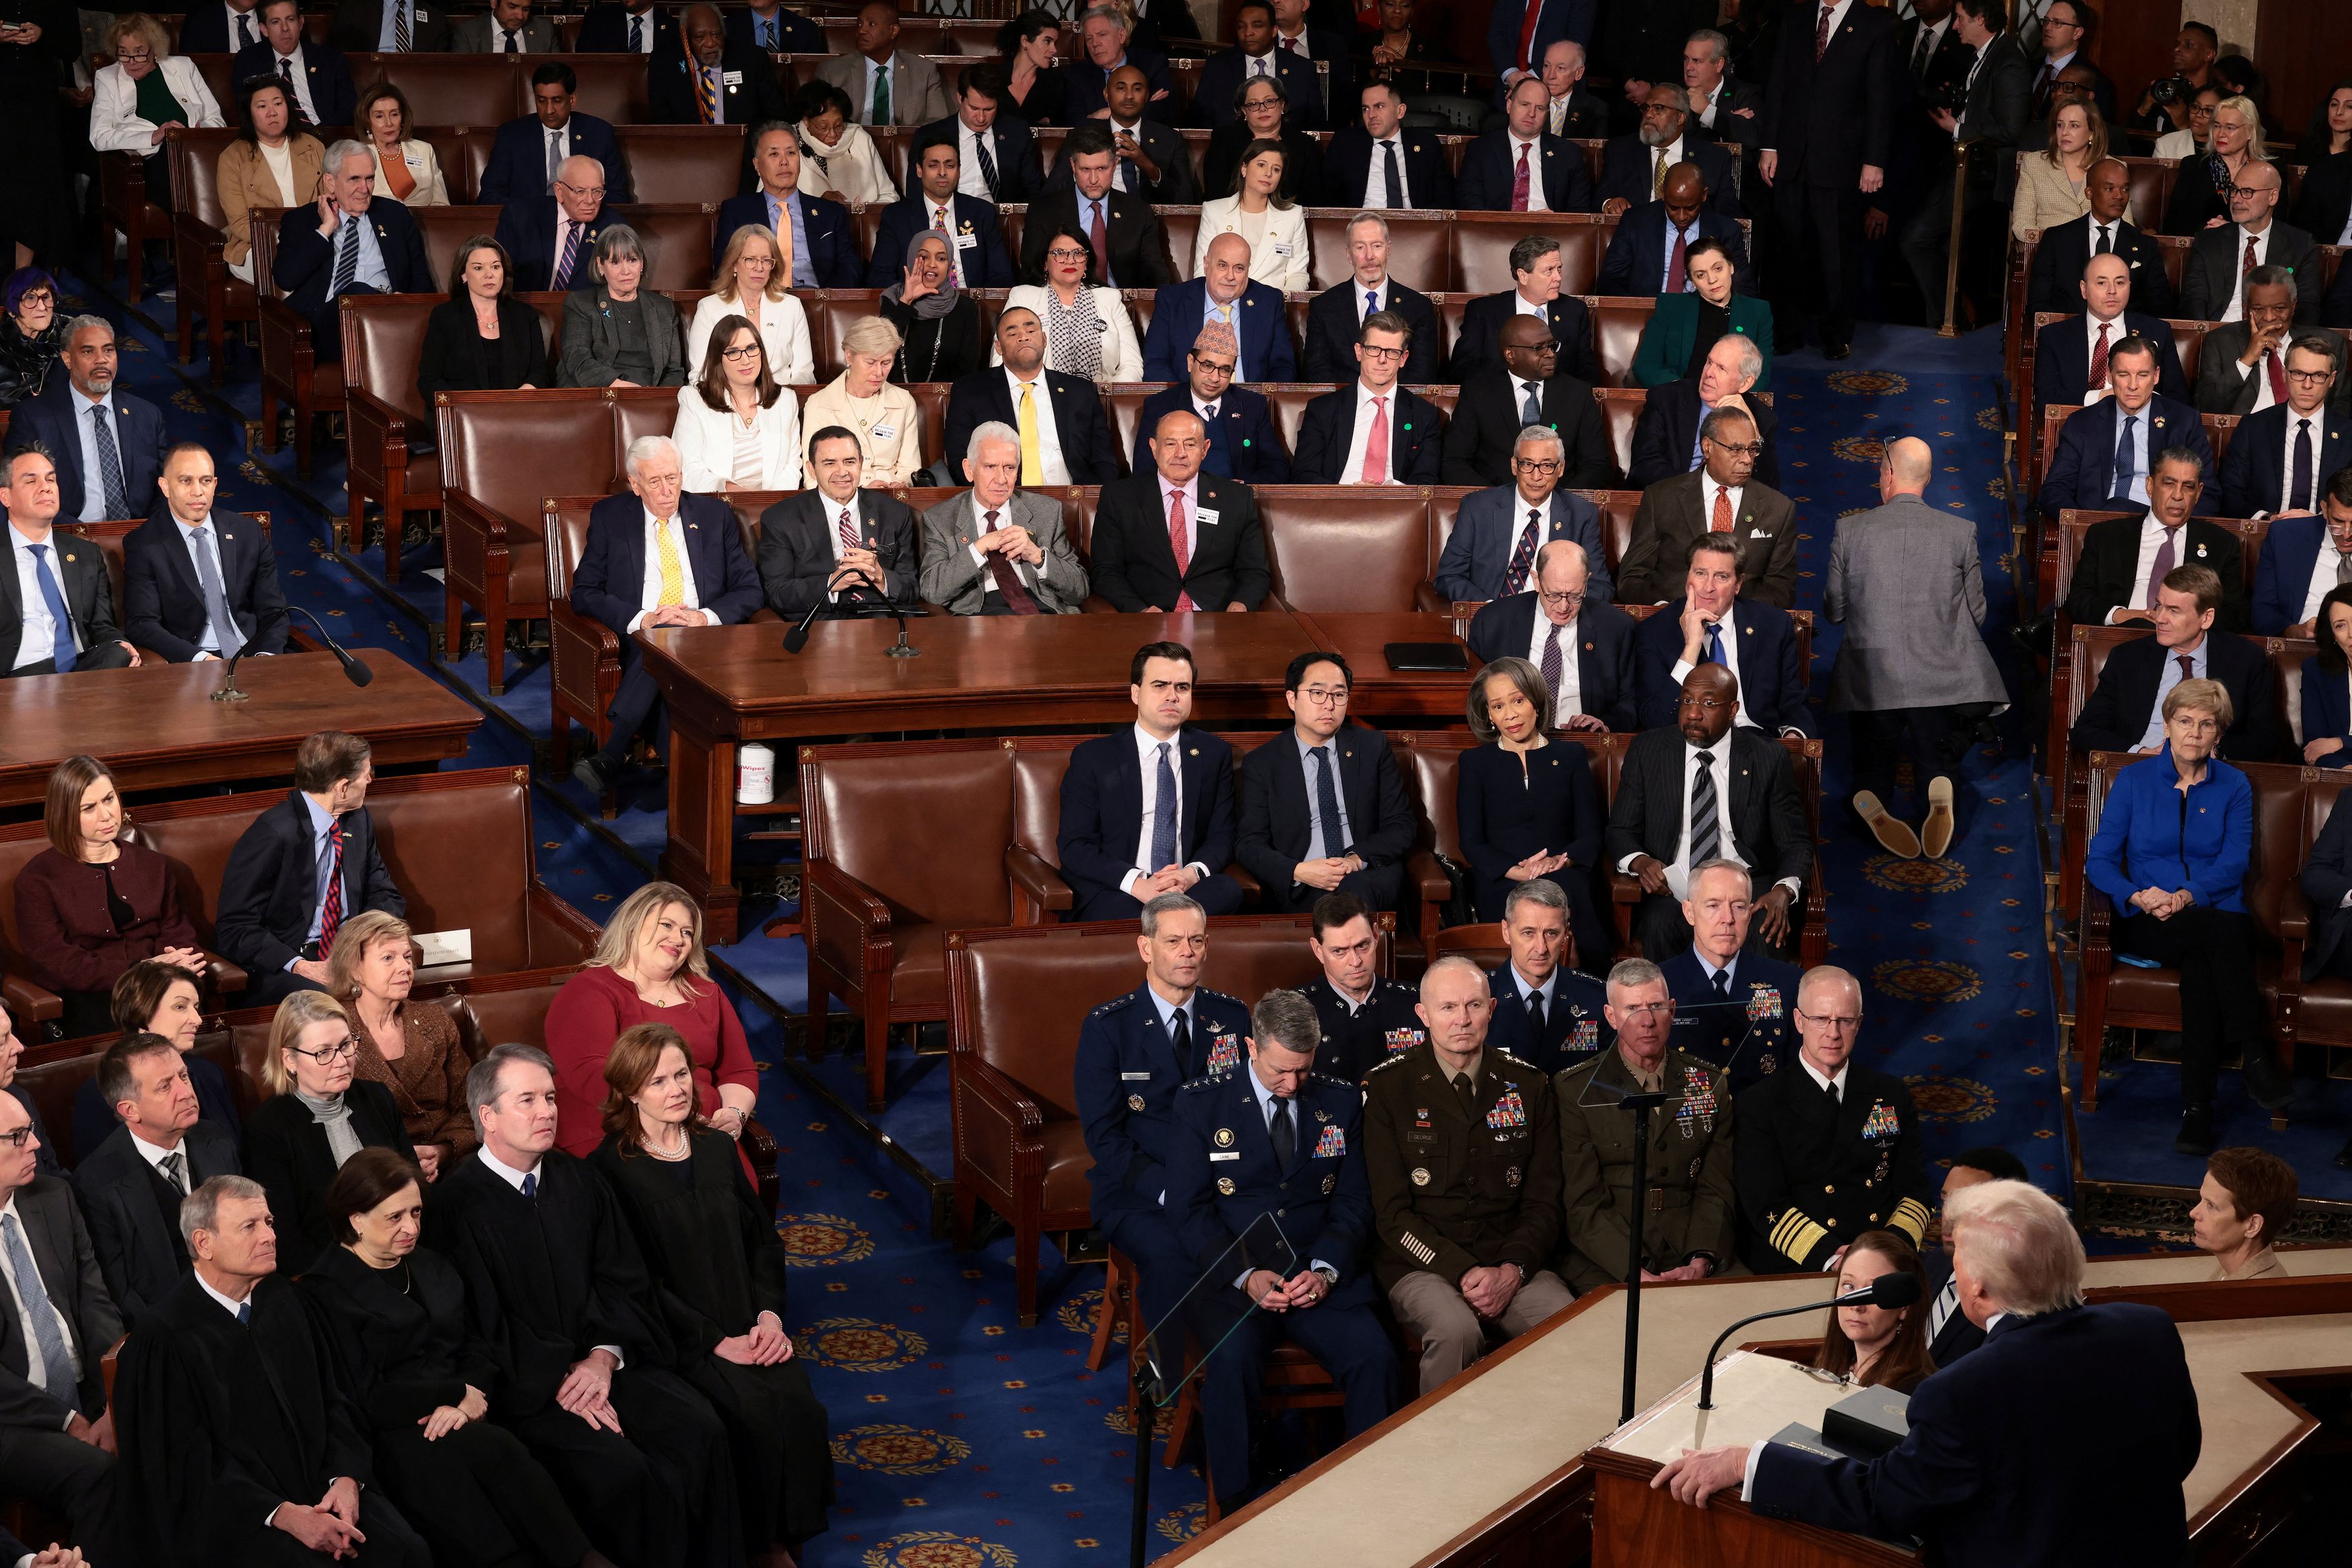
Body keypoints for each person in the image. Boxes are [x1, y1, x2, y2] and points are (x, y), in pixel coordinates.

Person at [1656, 1180, 2202, 1568]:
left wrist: (1746, 1461)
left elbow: (1884, 1502)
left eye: (1958, 1257)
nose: (1953, 1271)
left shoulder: (1964, 1391)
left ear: (1980, 1288)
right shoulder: (2148, 1330)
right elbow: (2182, 1453)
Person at [430, 1046, 742, 1568]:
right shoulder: (455, 1208)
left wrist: (602, 1358)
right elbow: (479, 1324)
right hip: (531, 1385)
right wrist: (562, 1376)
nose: (547, 1111)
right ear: (488, 1117)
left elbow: (624, 1277)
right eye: (526, 1099)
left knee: (700, 1430)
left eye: (550, 1098)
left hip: (607, 1361)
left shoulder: (579, 1180)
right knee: (624, 1473)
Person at [589, 1027, 833, 1557]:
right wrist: (714, 1342)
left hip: (749, 1320)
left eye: (681, 1074)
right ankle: (762, 1545)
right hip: (682, 1339)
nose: (676, 1089)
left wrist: (769, 1317)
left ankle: (789, 1534)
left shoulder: (718, 1147)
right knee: (749, 1417)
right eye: (658, 1081)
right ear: (630, 1091)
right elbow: (633, 1282)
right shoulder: (612, 1172)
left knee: (800, 1409)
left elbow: (762, 1242)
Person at [301, 1149, 609, 1568]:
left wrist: (471, 1396)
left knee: (511, 1450)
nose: (411, 1228)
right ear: (355, 1219)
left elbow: (477, 1342)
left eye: (416, 1213)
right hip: (397, 1433)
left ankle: (582, 1558)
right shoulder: (325, 1291)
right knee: (482, 1461)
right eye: (395, 1217)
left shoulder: (429, 1264)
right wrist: (455, 1394)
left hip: (465, 1411)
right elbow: (364, 1394)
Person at [112, 1174, 432, 1567]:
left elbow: (336, 1398)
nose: (269, 1236)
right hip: (241, 1515)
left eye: (269, 1223)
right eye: (250, 1226)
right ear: (203, 1243)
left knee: (406, 1552)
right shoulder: (163, 1339)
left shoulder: (286, 1301)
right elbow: (182, 1466)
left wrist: (347, 1478)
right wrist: (281, 1514)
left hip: (326, 1488)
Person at [1164, 990, 1395, 1516]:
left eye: (1304, 1071)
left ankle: (1369, 1494)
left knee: (1374, 1357)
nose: (1293, 1085)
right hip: (1235, 1277)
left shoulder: (1338, 1100)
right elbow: (1188, 1210)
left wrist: (1325, 1271)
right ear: (1251, 1046)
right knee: (1232, 1359)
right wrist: (1244, 1275)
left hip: (1318, 1273)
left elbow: (1355, 1201)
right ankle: (1237, 1506)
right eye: (1280, 1072)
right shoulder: (1201, 1103)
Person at [2088, 677, 2287, 1152]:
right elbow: (2099, 860)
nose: (2194, 733)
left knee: (2204, 967)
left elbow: (2235, 861)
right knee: (2219, 938)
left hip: (2209, 911)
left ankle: (2196, 1111)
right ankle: (2255, 1053)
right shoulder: (2134, 781)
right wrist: (2138, 896)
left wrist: (2188, 894)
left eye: (2206, 724)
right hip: (2148, 920)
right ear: (2168, 726)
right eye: (2184, 722)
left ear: (2219, 734)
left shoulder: (2235, 785)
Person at [1361, 955, 1570, 1397]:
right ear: (1423, 1015)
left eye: (1474, 1006)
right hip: (1422, 1263)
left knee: (1568, 1323)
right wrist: (1464, 1271)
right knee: (1457, 1330)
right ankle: (1438, 1459)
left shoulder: (1529, 1086)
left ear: (1492, 1009)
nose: (1462, 1020)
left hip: (1511, 1257)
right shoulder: (1388, 1089)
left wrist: (1512, 1269)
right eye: (1448, 1008)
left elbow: (1544, 1202)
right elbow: (1392, 1216)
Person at [1076, 891, 1253, 1336]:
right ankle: (1168, 1378)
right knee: (1175, 1257)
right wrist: (1167, 1189)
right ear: (1145, 948)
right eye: (1174, 941)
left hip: (1218, 1185)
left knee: (1269, 1241)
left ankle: (1232, 1366)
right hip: (1141, 1193)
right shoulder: (1108, 1026)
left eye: (1196, 941)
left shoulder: (1232, 1017)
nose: (1187, 952)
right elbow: (1104, 1136)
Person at [1825, 437, 2006, 861]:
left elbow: (1834, 610)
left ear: (1887, 474)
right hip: (1940, 678)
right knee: (1936, 756)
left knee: (1872, 762)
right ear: (1928, 478)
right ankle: (1937, 790)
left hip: (1870, 678)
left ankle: (1872, 797)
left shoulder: (1850, 530)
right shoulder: (1960, 532)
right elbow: (1977, 613)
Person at [566, 433, 761, 789]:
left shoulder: (714, 515)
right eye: (655, 482)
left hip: (705, 637)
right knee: (660, 651)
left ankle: (614, 751)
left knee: (664, 654)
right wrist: (643, 619)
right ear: (635, 485)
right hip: (643, 634)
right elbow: (584, 592)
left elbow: (749, 589)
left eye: (672, 478)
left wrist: (704, 617)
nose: (667, 490)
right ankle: (699, 790)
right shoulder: (611, 517)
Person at [1554, 957, 1739, 1289]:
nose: (1647, 1021)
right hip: (1609, 1258)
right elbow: (1583, 1203)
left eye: (1656, 1006)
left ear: (1672, 1009)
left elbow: (1716, 1187)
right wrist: (1633, 1271)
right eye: (1633, 1009)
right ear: (1611, 1016)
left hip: (1692, 1247)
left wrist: (1700, 1260)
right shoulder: (1576, 1091)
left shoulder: (1711, 1083)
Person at [1732, 965, 1931, 1272]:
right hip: (1801, 1264)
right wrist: (1832, 1257)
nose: (1833, 1033)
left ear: (1859, 1023)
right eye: (1821, 1019)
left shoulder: (1891, 1094)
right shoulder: (1759, 1104)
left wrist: (1888, 1251)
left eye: (1845, 1021)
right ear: (1799, 1021)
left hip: (1881, 1260)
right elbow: (1765, 1204)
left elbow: (1915, 1190)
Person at [542, 883, 757, 1162]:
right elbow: (589, 1074)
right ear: (632, 926)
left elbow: (739, 1070)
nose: (678, 939)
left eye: (687, 933)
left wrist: (734, 1114)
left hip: (702, 1127)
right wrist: (666, 1117)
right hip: (617, 1130)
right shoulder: (591, 989)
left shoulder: (705, 992)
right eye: (666, 925)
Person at [1609, 663, 1811, 959]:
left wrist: (1784, 890)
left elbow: (1795, 843)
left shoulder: (1768, 757)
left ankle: (1755, 1008)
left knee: (1763, 927)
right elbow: (1621, 831)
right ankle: (1674, 1006)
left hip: (1747, 886)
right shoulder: (1649, 750)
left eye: (1708, 703)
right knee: (1659, 924)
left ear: (1732, 710)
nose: (1693, 713)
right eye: (1687, 701)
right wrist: (1639, 861)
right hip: (1676, 888)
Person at [0, 1080, 121, 1559]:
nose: (35, 1145)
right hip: (12, 1421)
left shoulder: (51, 1197)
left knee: (176, 1434)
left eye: (30, 1131)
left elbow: (96, 1303)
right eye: (16, 1137)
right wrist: (70, 1420)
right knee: (101, 1474)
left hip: (88, 1389)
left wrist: (114, 1401)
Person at [12, 756, 205, 1039]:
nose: (106, 815)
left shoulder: (153, 865)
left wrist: (174, 969)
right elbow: (60, 962)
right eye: (89, 808)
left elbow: (177, 933)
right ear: (64, 814)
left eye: (109, 799)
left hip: (162, 987)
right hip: (91, 997)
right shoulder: (37, 880)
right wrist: (140, 971)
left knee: (184, 1013)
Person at [1056, 642, 1245, 922]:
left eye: (1182, 687)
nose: (1172, 696)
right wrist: (1138, 884)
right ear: (1136, 693)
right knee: (1135, 916)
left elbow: (1223, 835)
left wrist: (1189, 875)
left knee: (1227, 891)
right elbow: (1074, 845)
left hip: (1186, 888)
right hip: (1120, 888)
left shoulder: (1212, 754)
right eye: (1160, 685)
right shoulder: (1094, 757)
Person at [214, 731, 403, 1006]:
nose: (371, 780)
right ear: (342, 787)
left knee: (397, 980)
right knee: (335, 1001)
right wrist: (300, 965)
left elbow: (385, 894)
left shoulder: (357, 820)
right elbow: (234, 927)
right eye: (367, 773)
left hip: (347, 953)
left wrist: (363, 943)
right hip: (285, 965)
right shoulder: (273, 833)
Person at [1757, 0, 1895, 359]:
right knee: (1786, 249)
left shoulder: (1873, 24)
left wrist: (1874, 161)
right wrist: (1768, 145)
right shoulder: (1797, 17)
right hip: (1790, 156)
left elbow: (1880, 98)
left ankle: (1836, 334)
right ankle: (1786, 331)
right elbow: (1778, 84)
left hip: (1840, 162)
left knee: (1835, 254)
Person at [71, 1035, 241, 1322]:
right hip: (170, 1330)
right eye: (165, 1086)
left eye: (184, 1076)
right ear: (129, 1110)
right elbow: (119, 1291)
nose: (186, 1091)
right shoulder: (95, 1184)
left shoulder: (217, 1139)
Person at [241, 990, 417, 1266]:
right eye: (323, 1052)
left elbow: (412, 1182)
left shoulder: (377, 1097)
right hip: (330, 1270)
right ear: (289, 1060)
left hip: (404, 1250)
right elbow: (286, 1234)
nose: (341, 1061)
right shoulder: (268, 1129)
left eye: (346, 1045)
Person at [1238, 654, 1416, 914]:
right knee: (1334, 905)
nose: (1329, 705)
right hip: (1302, 879)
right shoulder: (1263, 763)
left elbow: (1401, 824)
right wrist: (1299, 871)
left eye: (1339, 695)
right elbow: (1249, 843)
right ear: (1292, 699)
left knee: (1352, 895)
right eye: (1317, 693)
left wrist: (1355, 859)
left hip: (1365, 872)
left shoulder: (1372, 748)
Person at [1458, 663, 1611, 947]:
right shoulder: (1474, 763)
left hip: (1562, 874)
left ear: (1536, 703)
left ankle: (1576, 985)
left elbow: (1590, 835)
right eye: (1498, 706)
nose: (1511, 714)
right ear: (1489, 715)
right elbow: (1471, 842)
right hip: (1502, 878)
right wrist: (1519, 872)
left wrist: (1557, 862)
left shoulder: (1571, 756)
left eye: (1518, 701)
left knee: (1571, 915)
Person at [1896, 0, 2027, 327]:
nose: (1955, 26)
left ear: (1981, 19)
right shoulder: (1985, 54)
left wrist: (1956, 127)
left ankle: (1951, 318)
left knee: (1915, 239)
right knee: (1937, 245)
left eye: (1961, 19)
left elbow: (2011, 130)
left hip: (1980, 172)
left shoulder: (2008, 61)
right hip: (1961, 166)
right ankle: (1946, 320)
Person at [2071, 563, 2273, 765]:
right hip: (2143, 768)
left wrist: (2214, 752)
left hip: (2209, 772)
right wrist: (2140, 752)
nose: (2160, 618)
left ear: (2206, 618)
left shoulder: (2245, 659)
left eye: (2174, 611)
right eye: (2159, 605)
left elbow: (2265, 738)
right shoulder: (2127, 658)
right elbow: (2086, 730)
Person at [329, 912, 471, 1178]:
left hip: (443, 1164)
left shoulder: (436, 1021)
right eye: (387, 958)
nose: (404, 968)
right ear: (353, 969)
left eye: (407, 957)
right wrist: (401, 1159)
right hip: (370, 1171)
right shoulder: (330, 1029)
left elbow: (468, 1104)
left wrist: (443, 1151)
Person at [125, 441, 292, 664]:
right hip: (193, 659)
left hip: (252, 652)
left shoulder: (247, 532)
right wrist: (200, 659)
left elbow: (274, 610)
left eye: (205, 481)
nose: (198, 492)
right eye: (186, 481)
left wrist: (265, 657)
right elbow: (142, 623)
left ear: (215, 485)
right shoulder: (144, 543)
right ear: (165, 487)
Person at [1620, 406, 1796, 609]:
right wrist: (1663, 610)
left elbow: (1782, 588)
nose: (1747, 460)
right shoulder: (1661, 498)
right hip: (1674, 620)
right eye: (1736, 449)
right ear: (1707, 447)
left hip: (1742, 629)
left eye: (1753, 449)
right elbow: (1632, 577)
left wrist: (1737, 615)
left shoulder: (1779, 509)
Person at [272, 140, 432, 363]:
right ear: (330, 181)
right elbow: (285, 278)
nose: (364, 188)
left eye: (370, 178)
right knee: (355, 293)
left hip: (389, 319)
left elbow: (421, 279)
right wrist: (325, 229)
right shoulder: (302, 221)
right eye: (354, 179)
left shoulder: (394, 216)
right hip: (326, 324)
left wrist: (405, 303)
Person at [1091, 412, 1268, 613]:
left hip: (1217, 618)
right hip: (1149, 616)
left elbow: (1254, 571)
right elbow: (1106, 571)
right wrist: (1139, 610)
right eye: (1170, 444)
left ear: (1205, 449)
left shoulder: (1236, 498)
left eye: (1190, 444)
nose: (1180, 453)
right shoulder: (1119, 498)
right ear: (1154, 447)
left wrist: (1241, 604)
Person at [916, 422, 1091, 616]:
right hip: (979, 616)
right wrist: (979, 547)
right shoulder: (940, 518)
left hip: (1042, 611)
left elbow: (1080, 590)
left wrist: (1037, 556)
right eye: (990, 466)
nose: (1001, 479)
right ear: (969, 469)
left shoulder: (1047, 511)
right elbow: (932, 590)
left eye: (1009, 468)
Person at [2062, 444, 2240, 632]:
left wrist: (2184, 626)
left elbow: (2235, 613)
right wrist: (2121, 615)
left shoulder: (2221, 544)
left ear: (2198, 494)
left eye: (2188, 487)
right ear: (2150, 486)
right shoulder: (2106, 536)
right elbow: (2078, 599)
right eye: (2169, 484)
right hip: (2122, 636)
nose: (2178, 496)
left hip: (2184, 645)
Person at [1657, 859, 1799, 1091]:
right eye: (1713, 905)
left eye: (1739, 906)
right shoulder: (1658, 985)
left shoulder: (1788, 983)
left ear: (1750, 914)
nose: (1728, 919)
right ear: (1689, 912)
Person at [2038, 339, 2215, 524]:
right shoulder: (2083, 423)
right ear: (2109, 375)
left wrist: (2172, 528)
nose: (2133, 385)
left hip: (2161, 525)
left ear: (2156, 376)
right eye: (2123, 374)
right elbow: (2055, 489)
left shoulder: (2183, 422)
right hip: (2099, 526)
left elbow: (2207, 493)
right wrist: (2083, 523)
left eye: (2142, 375)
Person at [1465, 541, 1638, 732]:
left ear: (1587, 582)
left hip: (1583, 744)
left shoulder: (1616, 627)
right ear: (1537, 581)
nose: (1563, 607)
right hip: (1512, 742)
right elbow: (1475, 699)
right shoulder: (1492, 622)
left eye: (1575, 596)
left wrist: (1604, 724)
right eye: (1554, 595)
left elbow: (1630, 701)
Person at [8, 316, 167, 523]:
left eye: (108, 350)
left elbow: (168, 485)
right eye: (88, 351)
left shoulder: (147, 415)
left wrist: (150, 531)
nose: (101, 359)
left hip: (140, 533)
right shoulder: (33, 417)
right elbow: (21, 489)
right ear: (67, 360)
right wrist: (77, 541)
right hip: (69, 535)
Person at [70, 961, 240, 1151]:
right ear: (141, 1011)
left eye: (196, 1007)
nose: (197, 1019)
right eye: (180, 1006)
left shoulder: (209, 1073)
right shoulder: (98, 1095)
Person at [941, 306, 1119, 488]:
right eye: (1012, 334)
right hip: (1004, 501)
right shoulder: (970, 391)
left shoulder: (1081, 392)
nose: (1023, 337)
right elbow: (961, 461)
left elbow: (1104, 461)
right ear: (999, 347)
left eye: (1031, 330)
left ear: (1044, 339)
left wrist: (1093, 503)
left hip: (1073, 499)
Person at [755, 424, 917, 619]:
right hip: (820, 625)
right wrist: (833, 582)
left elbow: (911, 588)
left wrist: (881, 577)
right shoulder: (781, 519)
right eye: (829, 463)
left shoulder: (895, 512)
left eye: (849, 462)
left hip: (882, 621)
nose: (842, 472)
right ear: (812, 469)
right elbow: (777, 592)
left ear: (861, 464)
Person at [1435, 427, 1611, 605]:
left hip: (1551, 619)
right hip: (1490, 614)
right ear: (1514, 466)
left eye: (1547, 466)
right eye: (1527, 464)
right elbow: (1449, 576)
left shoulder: (1581, 515)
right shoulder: (1478, 508)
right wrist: (1490, 608)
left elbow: (1601, 586)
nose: (1536, 476)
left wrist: (1561, 604)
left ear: (1561, 468)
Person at [0, 447, 136, 676]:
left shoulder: (86, 554)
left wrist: (117, 641)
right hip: (20, 673)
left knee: (116, 653)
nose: (46, 487)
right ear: (6, 496)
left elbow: (101, 624)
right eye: (31, 481)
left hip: (80, 668)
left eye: (51, 479)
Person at [1444, 314, 1611, 490]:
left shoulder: (1578, 393)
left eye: (1552, 346)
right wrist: (1496, 501)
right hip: (1495, 506)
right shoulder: (1478, 393)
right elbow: (1454, 462)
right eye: (1539, 348)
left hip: (1560, 506)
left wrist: (1561, 502)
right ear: (1510, 355)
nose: (1550, 354)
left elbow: (1596, 465)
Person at [88, 13, 223, 225]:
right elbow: (99, 136)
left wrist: (194, 134)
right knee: (176, 170)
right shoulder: (108, 78)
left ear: (155, 49)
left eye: (139, 53)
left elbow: (216, 120)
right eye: (123, 54)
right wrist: (154, 136)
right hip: (150, 163)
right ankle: (202, 240)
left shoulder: (183, 67)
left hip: (196, 155)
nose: (132, 62)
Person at [1290, 313, 1443, 485]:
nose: (1382, 359)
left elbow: (1426, 479)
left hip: (1397, 507)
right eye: (1374, 349)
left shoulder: (1424, 415)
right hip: (1336, 505)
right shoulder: (1322, 410)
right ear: (1359, 351)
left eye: (1392, 352)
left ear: (1403, 359)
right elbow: (1305, 474)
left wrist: (1395, 495)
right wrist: (1346, 495)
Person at [2031, 252, 2187, 414]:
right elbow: (2046, 400)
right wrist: (2101, 397)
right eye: (2101, 283)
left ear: (2130, 286)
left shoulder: (2157, 332)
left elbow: (2179, 399)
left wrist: (2144, 400)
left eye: (2120, 283)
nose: (2112, 291)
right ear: (2084, 290)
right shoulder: (2055, 336)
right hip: (2077, 430)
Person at [1019, 126, 1172, 290]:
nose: (1093, 180)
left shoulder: (1139, 213)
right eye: (1085, 169)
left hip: (1121, 305)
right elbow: (1031, 274)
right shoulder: (1043, 210)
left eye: (1101, 169)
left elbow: (1157, 276)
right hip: (1062, 304)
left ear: (1115, 164)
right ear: (1073, 165)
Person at [1134, 324, 1290, 484]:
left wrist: (1242, 486)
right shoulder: (1160, 406)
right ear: (1190, 363)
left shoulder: (1252, 406)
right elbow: (1144, 470)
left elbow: (1276, 468)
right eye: (1207, 366)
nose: (1215, 378)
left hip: (1233, 501)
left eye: (1225, 370)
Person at [1481, 878, 1609, 1074]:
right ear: (1506, 932)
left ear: (1566, 934)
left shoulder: (1597, 999)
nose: (1541, 949)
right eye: (1528, 933)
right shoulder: (1476, 998)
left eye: (1551, 933)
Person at [1627, 333, 1783, 491]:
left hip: (1728, 505)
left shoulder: (1762, 419)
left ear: (1745, 383)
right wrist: (1697, 492)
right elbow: (1644, 465)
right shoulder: (1667, 400)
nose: (1709, 373)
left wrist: (1753, 432)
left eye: (1721, 368)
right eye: (1709, 362)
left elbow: (1768, 486)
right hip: (1673, 498)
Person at [2025, 156, 2175, 318]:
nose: (2119, 196)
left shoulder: (2145, 245)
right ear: (2089, 192)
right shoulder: (2057, 239)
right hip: (2069, 335)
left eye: (2125, 189)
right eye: (2110, 189)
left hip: (2124, 338)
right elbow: (2038, 304)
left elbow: (2161, 309)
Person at [1299, 892, 1426, 1082]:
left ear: (1376, 936)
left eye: (1362, 946)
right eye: (1339, 951)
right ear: (1318, 950)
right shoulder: (1296, 1010)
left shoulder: (1417, 1002)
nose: (1356, 961)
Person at [2222, 335, 2348, 522]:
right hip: (2267, 534)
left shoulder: (2348, 434)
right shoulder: (2253, 427)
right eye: (2298, 373)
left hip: (2329, 536)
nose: (2307, 385)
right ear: (2283, 375)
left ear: (2332, 379)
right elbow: (2229, 493)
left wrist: (2321, 521)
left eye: (2319, 376)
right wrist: (2267, 519)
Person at [672, 316, 803, 495]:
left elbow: (792, 465)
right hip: (717, 502)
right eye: (733, 352)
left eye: (751, 348)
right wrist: (730, 491)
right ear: (718, 358)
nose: (746, 360)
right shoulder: (694, 399)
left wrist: (767, 504)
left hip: (775, 505)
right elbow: (688, 467)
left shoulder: (785, 400)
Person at [1302, 212, 1438, 385]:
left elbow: (1423, 373)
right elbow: (1316, 370)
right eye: (1360, 248)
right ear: (1348, 254)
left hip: (1397, 406)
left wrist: (1386, 400)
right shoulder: (1324, 306)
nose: (1369, 256)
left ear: (1388, 249)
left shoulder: (1418, 307)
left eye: (1377, 246)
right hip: (1343, 406)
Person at [1143, 233, 1296, 386]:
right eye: (1222, 266)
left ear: (1248, 270)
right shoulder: (1172, 300)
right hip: (1187, 404)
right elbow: (1155, 363)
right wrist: (1185, 403)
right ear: (1206, 264)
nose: (1230, 276)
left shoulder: (1269, 302)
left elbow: (1283, 368)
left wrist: (1261, 402)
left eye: (1239, 268)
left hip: (1251, 403)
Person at [1444, 234, 1597, 386]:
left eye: (1559, 269)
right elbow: (1463, 369)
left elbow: (1586, 372)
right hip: (1499, 401)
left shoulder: (1574, 312)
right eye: (1549, 270)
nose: (1558, 277)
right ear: (1523, 276)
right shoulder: (1483, 312)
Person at [2197, 269, 2349, 420]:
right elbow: (2205, 408)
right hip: (2245, 436)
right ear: (2246, 307)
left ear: (2293, 305)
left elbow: (2341, 406)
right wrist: (2246, 360)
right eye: (2258, 309)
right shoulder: (2220, 341)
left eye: (2279, 309)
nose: (2269, 318)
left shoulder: (2331, 343)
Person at [2179, 161, 2318, 325]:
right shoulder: (2208, 241)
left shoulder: (2300, 244)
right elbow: (2193, 300)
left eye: (2247, 192)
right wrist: (2205, 339)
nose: (2237, 199)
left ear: (2272, 197)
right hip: (2219, 334)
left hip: (2275, 334)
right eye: (2234, 190)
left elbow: (2307, 307)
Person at [713, 126, 856, 287]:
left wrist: (827, 304)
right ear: (757, 165)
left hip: (817, 299)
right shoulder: (736, 212)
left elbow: (849, 268)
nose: (784, 162)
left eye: (791, 153)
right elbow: (724, 268)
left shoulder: (830, 213)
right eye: (774, 154)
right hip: (760, 299)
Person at [1004, 225, 1145, 384]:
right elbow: (1003, 358)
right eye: (1059, 253)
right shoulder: (1023, 297)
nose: (1070, 260)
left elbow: (1132, 365)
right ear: (1045, 262)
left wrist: (1105, 397)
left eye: (1078, 253)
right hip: (1041, 396)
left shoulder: (1110, 299)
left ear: (1086, 262)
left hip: (1101, 395)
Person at [1630, 237, 1773, 392]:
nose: (1712, 280)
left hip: (1731, 406)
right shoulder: (1671, 307)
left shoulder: (1758, 311)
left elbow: (1761, 376)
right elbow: (1646, 366)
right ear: (1692, 280)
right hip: (1680, 400)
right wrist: (1680, 389)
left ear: (1731, 267)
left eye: (1718, 269)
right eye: (1701, 275)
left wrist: (1728, 397)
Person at [868, 141, 1015, 293]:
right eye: (933, 165)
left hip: (971, 303)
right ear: (919, 170)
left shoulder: (981, 212)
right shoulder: (896, 216)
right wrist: (912, 295)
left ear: (959, 171)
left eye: (950, 165)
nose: (942, 172)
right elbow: (879, 276)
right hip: (918, 305)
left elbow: (1002, 275)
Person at [1596, 163, 1753, 301]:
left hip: (1703, 318)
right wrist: (1638, 310)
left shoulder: (1726, 230)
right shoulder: (1635, 222)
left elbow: (1744, 290)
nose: (1682, 216)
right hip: (1648, 316)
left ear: (1704, 195)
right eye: (1674, 207)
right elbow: (1610, 281)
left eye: (1691, 208)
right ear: (1663, 193)